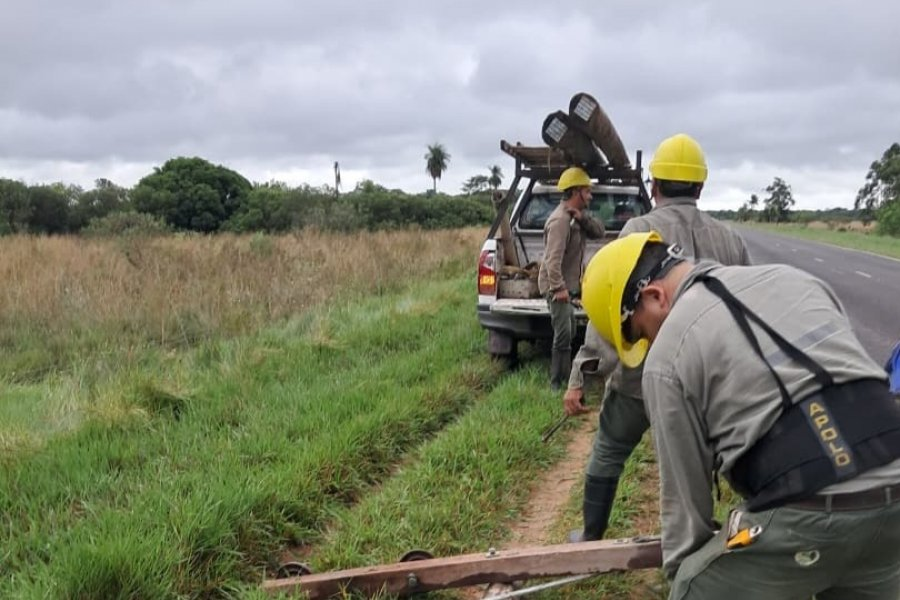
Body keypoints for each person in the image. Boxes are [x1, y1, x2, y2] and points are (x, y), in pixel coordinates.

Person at [580, 231, 900, 599]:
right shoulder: (795, 278)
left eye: (641, 331)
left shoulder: (667, 356)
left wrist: (687, 574)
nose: (649, 343)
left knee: (692, 585)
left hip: (807, 509)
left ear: (654, 296)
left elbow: (686, 514)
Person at [564, 134, 751, 542]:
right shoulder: (730, 239)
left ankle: (591, 537)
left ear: (655, 186)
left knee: (610, 450)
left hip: (639, 379)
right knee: (694, 462)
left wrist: (582, 376)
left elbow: (611, 317)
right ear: (700, 188)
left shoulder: (639, 230)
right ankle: (699, 541)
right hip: (706, 382)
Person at [537, 166, 605, 391]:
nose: (590, 195)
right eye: (587, 191)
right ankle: (558, 385)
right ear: (576, 192)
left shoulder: (574, 218)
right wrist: (558, 288)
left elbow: (599, 233)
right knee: (564, 335)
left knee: (570, 331)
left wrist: (582, 218)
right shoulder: (560, 221)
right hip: (558, 287)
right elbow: (551, 261)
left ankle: (565, 381)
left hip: (568, 286)